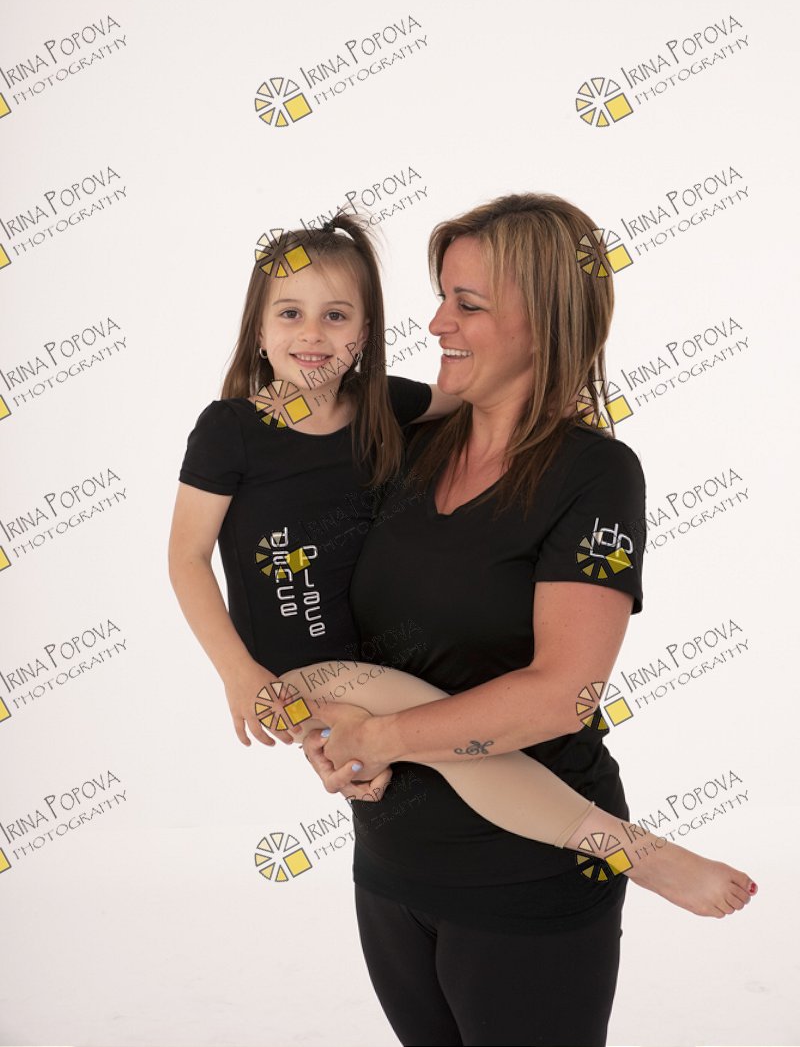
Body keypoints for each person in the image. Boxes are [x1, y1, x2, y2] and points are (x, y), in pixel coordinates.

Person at [168, 207, 754, 1047]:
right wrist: (327, 735)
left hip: (525, 880)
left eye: (467, 303)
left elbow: (561, 695)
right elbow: (307, 603)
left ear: (543, 319)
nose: (437, 322)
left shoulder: (593, 474)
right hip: (392, 865)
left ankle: (634, 848)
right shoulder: (410, 442)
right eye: (440, 297)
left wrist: (379, 735)